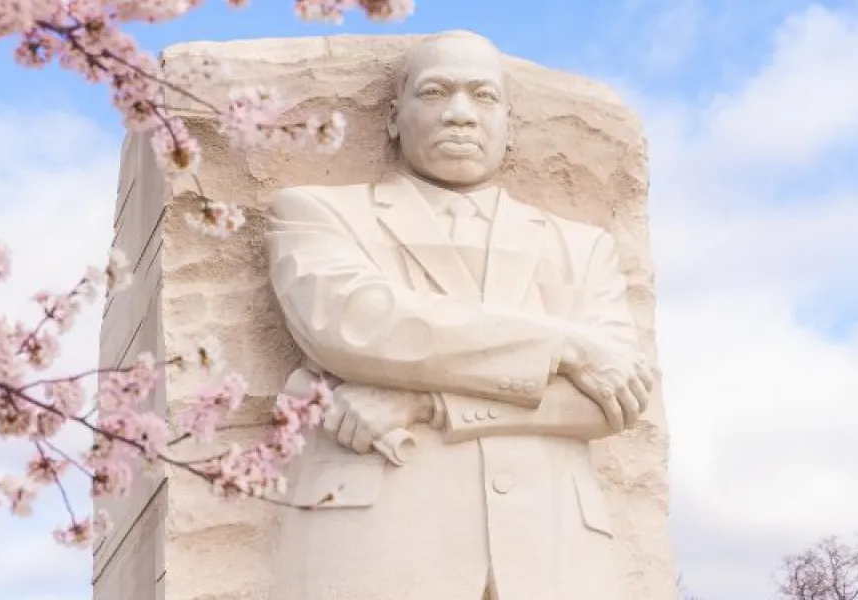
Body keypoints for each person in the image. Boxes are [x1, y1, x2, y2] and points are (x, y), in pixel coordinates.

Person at [263, 30, 654, 600]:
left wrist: (427, 401)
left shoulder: (582, 246)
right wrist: (568, 346)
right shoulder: (318, 214)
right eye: (435, 91)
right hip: (379, 544)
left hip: (556, 553)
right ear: (394, 117)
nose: (461, 114)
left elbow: (610, 400)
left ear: (510, 125)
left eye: (484, 96)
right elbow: (358, 326)